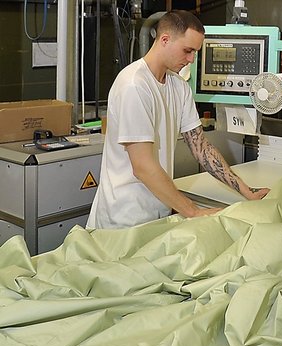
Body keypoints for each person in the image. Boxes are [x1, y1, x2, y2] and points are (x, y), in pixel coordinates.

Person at [87, 10, 268, 230]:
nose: (191, 59)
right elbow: (142, 166)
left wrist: (246, 191)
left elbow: (201, 148)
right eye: (187, 50)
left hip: (158, 210)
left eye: (195, 52)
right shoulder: (134, 86)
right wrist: (193, 211)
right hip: (124, 219)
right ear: (165, 40)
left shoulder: (179, 86)